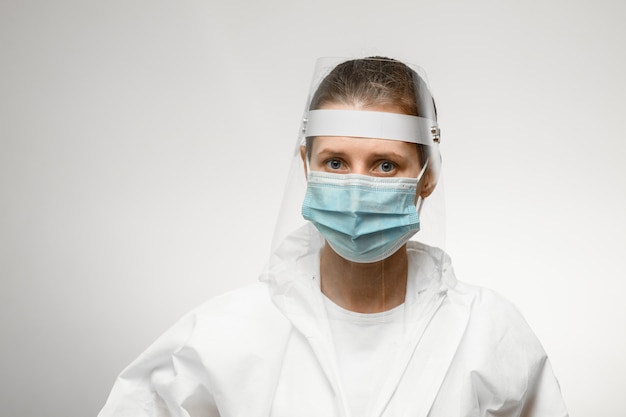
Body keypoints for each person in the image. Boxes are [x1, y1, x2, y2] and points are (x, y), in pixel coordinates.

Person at [98, 57, 568, 417]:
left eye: (386, 165)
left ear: (427, 177)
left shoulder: (487, 333)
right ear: (306, 165)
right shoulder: (223, 335)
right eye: (336, 163)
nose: (357, 188)